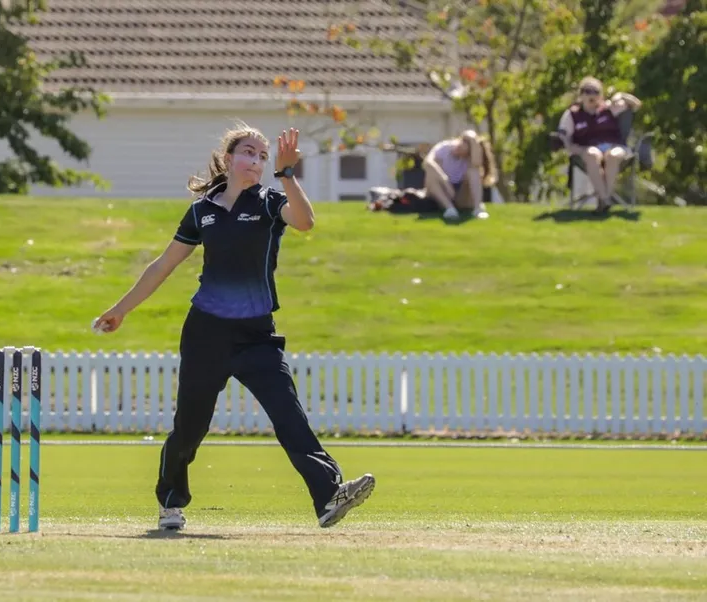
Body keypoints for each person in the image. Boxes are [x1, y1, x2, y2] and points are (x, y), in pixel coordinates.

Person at [91, 124, 375, 531]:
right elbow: (163, 266)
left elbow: (305, 221)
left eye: (262, 156)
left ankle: (329, 494)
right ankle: (170, 501)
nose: (256, 161)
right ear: (228, 159)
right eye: (249, 152)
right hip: (206, 332)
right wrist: (120, 310)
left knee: (288, 414)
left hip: (257, 335)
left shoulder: (269, 202)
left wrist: (287, 173)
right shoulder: (201, 211)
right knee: (190, 425)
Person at [557, 76, 642, 212]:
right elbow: (563, 135)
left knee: (613, 156)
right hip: (587, 150)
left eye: (596, 91)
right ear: (581, 95)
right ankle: (606, 198)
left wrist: (620, 95)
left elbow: (636, 104)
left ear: (601, 95)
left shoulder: (609, 108)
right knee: (592, 154)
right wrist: (572, 148)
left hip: (614, 146)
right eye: (587, 91)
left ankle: (603, 200)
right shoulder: (572, 114)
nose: (592, 95)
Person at [422, 130, 497, 221]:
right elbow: (428, 163)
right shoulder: (444, 147)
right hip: (441, 190)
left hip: (459, 194)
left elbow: (476, 164)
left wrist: (474, 144)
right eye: (459, 146)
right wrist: (445, 181)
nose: (457, 150)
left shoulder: (470, 160)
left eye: (462, 151)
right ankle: (449, 209)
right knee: (431, 176)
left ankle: (478, 209)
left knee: (473, 172)